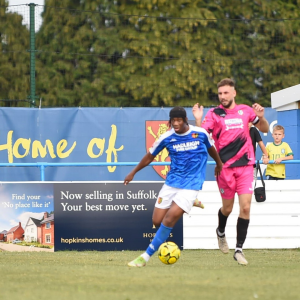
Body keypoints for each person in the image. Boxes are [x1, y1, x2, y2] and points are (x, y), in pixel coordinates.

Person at [124, 106, 223, 267]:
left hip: (192, 183)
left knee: (169, 219)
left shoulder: (200, 134)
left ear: (185, 120)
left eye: (179, 120)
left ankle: (145, 257)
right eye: (173, 120)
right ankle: (192, 202)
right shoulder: (166, 137)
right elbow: (150, 157)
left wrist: (219, 164)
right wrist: (133, 172)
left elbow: (211, 149)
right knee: (157, 221)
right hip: (172, 182)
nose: (176, 123)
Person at [192, 78, 269, 266]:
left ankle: (239, 249)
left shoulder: (246, 111)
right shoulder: (214, 113)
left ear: (234, 93)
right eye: (220, 94)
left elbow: (265, 128)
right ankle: (220, 232)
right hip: (224, 168)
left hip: (246, 167)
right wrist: (198, 120)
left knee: (245, 207)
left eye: (226, 93)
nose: (223, 96)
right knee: (227, 208)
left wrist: (262, 116)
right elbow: (202, 136)